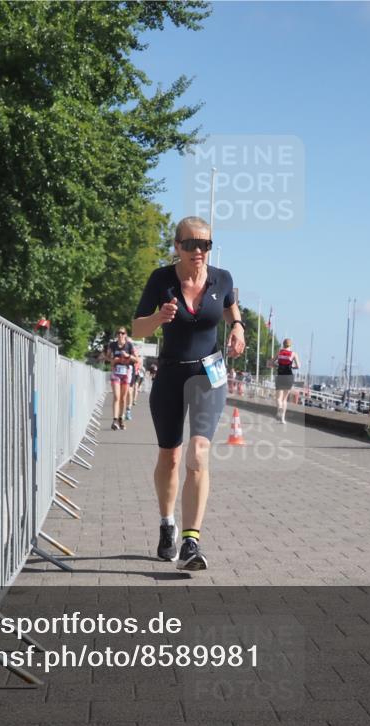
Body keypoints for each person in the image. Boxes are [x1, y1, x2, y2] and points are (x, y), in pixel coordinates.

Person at [132, 216, 245, 571]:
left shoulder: (222, 278)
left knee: (199, 453)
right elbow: (137, 328)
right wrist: (159, 319)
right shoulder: (161, 280)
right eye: (192, 244)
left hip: (209, 374)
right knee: (171, 457)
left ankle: (191, 542)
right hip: (170, 374)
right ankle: (168, 524)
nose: (199, 251)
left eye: (205, 244)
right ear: (177, 246)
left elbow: (229, 305)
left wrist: (238, 328)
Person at [105, 328, 135, 430]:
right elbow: (107, 357)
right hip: (116, 373)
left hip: (126, 373)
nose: (120, 335)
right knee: (116, 396)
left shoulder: (129, 345)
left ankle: (121, 418)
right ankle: (114, 420)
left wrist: (128, 356)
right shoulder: (112, 345)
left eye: (122, 333)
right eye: (118, 333)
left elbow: (137, 359)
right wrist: (114, 360)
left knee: (123, 398)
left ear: (125, 335)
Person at [268, 339, 301, 424]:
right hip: (288, 377)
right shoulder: (293, 354)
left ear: (283, 344)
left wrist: (278, 365)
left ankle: (279, 408)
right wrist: (291, 367)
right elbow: (298, 366)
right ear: (290, 345)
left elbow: (271, 363)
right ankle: (282, 419)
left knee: (279, 398)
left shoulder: (279, 352)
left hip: (280, 376)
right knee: (285, 399)